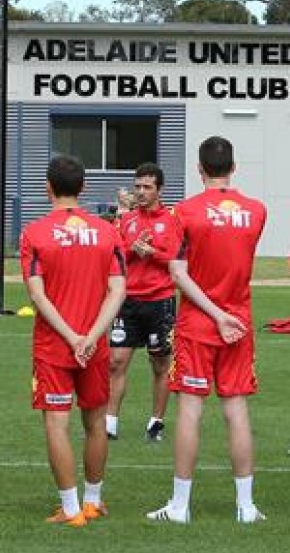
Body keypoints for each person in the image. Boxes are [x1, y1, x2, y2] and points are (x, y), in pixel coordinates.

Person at [146, 136, 266, 524]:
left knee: (190, 411)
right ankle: (246, 506)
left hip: (199, 323)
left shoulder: (184, 213)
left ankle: (180, 505)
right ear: (233, 167)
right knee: (237, 410)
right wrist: (226, 315)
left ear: (200, 169)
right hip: (239, 323)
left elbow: (178, 273)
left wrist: (214, 314)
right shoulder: (256, 211)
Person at [20, 155, 126, 527]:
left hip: (55, 345)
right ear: (82, 188)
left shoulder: (34, 232)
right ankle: (93, 501)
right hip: (94, 346)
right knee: (96, 422)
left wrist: (71, 336)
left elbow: (38, 294)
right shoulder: (108, 231)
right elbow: (118, 289)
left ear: (48, 187)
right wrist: (92, 336)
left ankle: (70, 509)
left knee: (57, 424)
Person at [106, 162, 178, 442]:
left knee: (160, 363)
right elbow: (114, 256)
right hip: (128, 299)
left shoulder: (172, 220)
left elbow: (175, 259)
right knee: (116, 361)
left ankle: (156, 422)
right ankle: (110, 422)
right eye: (137, 186)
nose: (141, 191)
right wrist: (133, 250)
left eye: (147, 187)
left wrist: (152, 253)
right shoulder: (126, 220)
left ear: (159, 189)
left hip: (159, 300)